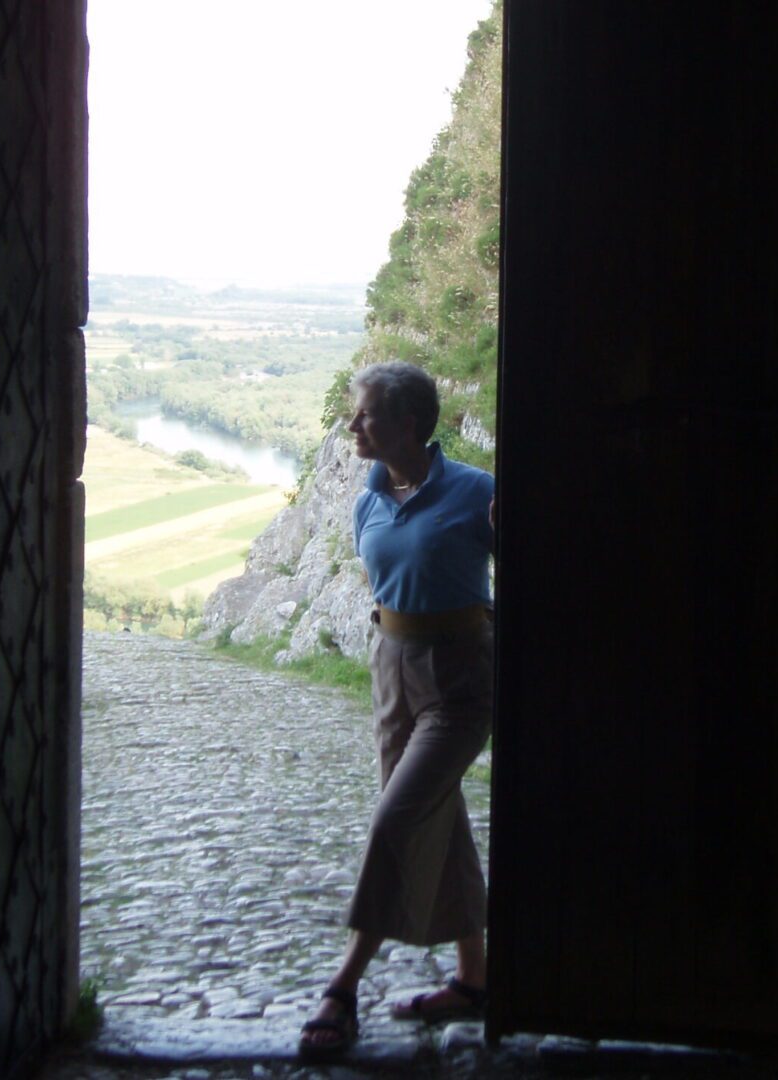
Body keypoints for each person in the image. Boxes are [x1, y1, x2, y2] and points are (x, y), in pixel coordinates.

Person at [299, 361, 496, 1061]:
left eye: (365, 415)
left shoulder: (478, 493)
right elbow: (379, 576)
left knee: (398, 818)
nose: (352, 425)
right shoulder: (369, 494)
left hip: (459, 676)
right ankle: (476, 979)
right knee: (438, 817)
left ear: (408, 423)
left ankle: (344, 984)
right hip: (391, 668)